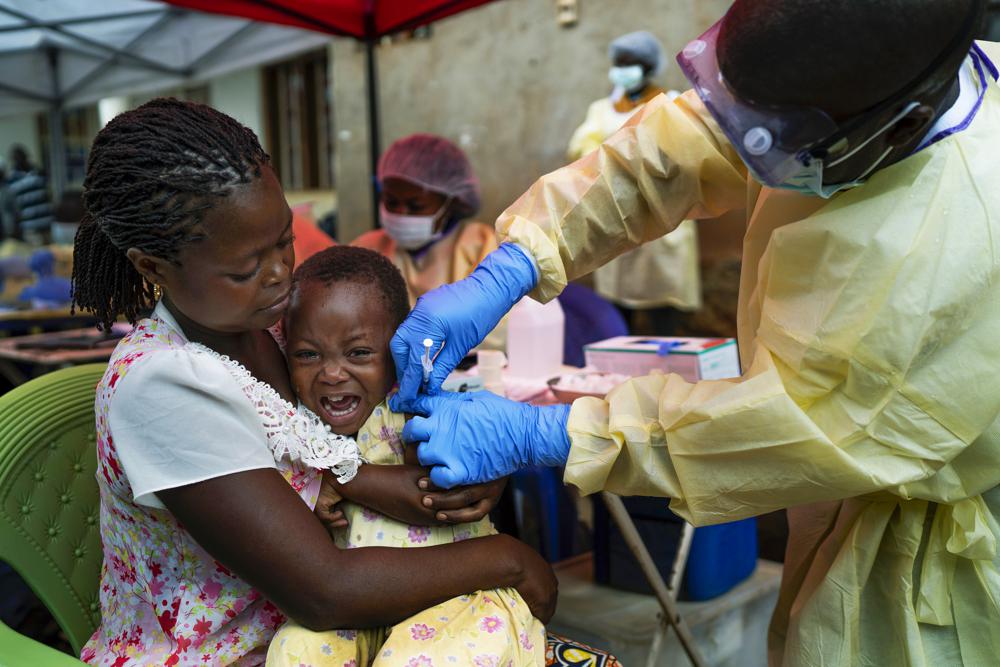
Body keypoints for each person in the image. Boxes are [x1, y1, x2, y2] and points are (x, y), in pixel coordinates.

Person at [390, 0, 1000, 664]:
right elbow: (671, 149)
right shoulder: (842, 96)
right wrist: (514, 263)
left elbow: (786, 426)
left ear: (901, 124)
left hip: (927, 571)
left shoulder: (960, 240)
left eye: (775, 140)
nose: (746, 145)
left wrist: (546, 432)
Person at [70, 98, 555, 666]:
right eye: (246, 268)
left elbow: (373, 434)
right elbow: (325, 591)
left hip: (353, 629)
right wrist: (511, 560)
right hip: (236, 653)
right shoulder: (161, 386)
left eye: (283, 242)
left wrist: (459, 476)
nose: (280, 275)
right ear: (153, 267)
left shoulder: (283, 328)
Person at [266, 246, 544, 666]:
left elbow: (434, 496)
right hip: (359, 609)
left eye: (358, 352)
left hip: (458, 598)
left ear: (399, 350)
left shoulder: (414, 412)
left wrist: (332, 477)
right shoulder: (293, 424)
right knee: (293, 651)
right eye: (308, 354)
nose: (333, 372)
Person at [568, 31, 701, 335]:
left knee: (664, 305)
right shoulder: (602, 109)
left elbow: (683, 152)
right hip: (616, 215)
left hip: (664, 217)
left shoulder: (672, 102)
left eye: (631, 62)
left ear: (648, 66)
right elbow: (581, 151)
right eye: (619, 62)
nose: (623, 69)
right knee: (617, 308)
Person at [353, 134, 506, 350]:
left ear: (450, 202)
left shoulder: (482, 245)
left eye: (416, 206)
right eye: (391, 202)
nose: (400, 214)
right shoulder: (365, 249)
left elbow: (499, 330)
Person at [6, 145, 53, 242]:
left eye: (21, 157)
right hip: (30, 226)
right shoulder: (11, 180)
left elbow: (49, 194)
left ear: (26, 157)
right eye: (16, 158)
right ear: (13, 160)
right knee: (36, 254)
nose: (20, 160)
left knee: (51, 254)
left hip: (47, 222)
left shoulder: (39, 172)